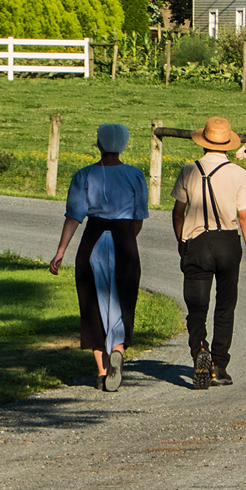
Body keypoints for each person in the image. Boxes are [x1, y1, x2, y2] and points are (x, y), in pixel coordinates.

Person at [50, 123, 149, 392]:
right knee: (123, 298)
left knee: (92, 302)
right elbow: (138, 219)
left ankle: (103, 372)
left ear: (99, 144)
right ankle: (118, 349)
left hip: (93, 240)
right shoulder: (135, 176)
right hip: (124, 239)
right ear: (124, 144)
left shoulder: (84, 175)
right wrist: (127, 240)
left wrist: (60, 252)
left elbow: (73, 217)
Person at [170, 117, 246, 390]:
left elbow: (178, 212)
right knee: (225, 306)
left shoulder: (189, 170)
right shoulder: (239, 174)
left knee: (196, 306)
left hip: (197, 241)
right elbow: (245, 217)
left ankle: (199, 350)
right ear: (228, 144)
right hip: (228, 243)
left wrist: (181, 240)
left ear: (204, 142)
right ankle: (219, 366)